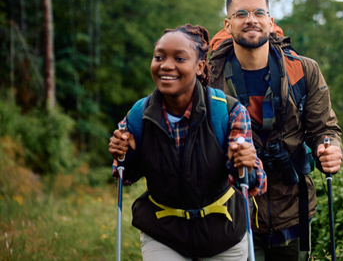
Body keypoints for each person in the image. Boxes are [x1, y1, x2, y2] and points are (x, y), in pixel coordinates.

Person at [208, 0, 343, 261]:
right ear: (228, 23)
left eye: (259, 12)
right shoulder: (209, 79)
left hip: (293, 208)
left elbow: (324, 129)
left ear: (270, 21)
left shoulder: (304, 70)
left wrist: (330, 149)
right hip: (233, 210)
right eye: (241, 14)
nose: (251, 20)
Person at [108, 24, 266, 260]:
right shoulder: (138, 114)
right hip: (163, 232)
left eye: (179, 58)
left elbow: (253, 185)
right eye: (159, 57)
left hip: (223, 234)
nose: (166, 65)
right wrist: (124, 155)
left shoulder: (228, 110)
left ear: (200, 66)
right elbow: (125, 175)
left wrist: (246, 164)